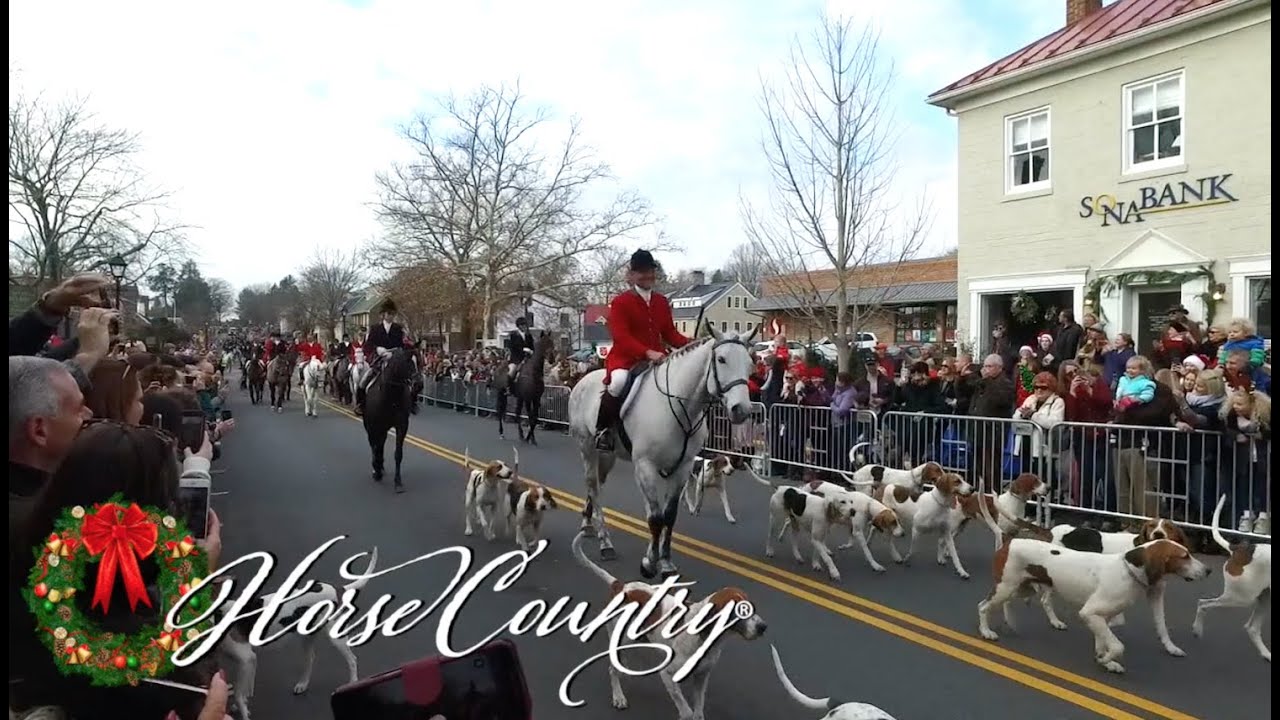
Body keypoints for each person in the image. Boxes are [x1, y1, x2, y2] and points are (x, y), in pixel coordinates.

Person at [593, 249, 691, 451]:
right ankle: (603, 430)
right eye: (642, 271)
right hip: (626, 360)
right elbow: (621, 337)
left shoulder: (662, 302)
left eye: (650, 270)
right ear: (632, 275)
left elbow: (671, 334)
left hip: (657, 360)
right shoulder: (621, 302)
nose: (648, 275)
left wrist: (694, 344)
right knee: (618, 383)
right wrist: (647, 352)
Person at [356, 300, 408, 413]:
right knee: (363, 381)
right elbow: (368, 346)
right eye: (388, 313)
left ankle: (410, 404)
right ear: (383, 314)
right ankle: (361, 404)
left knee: (407, 380)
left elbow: (402, 345)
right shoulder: (375, 329)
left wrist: (396, 352)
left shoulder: (398, 329)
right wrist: (377, 349)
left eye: (393, 314)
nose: (390, 316)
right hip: (379, 360)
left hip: (394, 359)